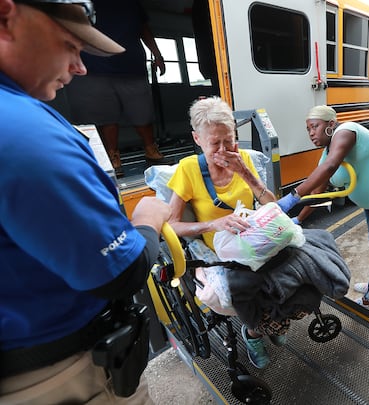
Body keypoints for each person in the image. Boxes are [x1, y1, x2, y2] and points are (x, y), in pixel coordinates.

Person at [0, 1, 171, 403]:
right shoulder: (25, 133)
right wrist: (147, 220)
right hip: (57, 374)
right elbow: (120, 273)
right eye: (69, 45)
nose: (80, 67)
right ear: (6, 16)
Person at [166, 97, 283, 370]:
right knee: (249, 286)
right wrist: (213, 224)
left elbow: (272, 205)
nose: (223, 150)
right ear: (197, 139)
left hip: (253, 239)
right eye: (214, 143)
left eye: (229, 141)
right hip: (220, 251)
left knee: (291, 269)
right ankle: (253, 333)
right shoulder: (188, 169)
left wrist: (245, 172)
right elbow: (171, 225)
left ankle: (275, 319)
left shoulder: (242, 160)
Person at [277, 105, 369, 312]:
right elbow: (317, 193)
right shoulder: (326, 153)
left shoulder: (347, 131)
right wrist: (299, 219)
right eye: (308, 129)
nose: (311, 133)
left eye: (314, 126)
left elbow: (332, 166)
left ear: (331, 124)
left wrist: (293, 196)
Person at [65, 0, 170, 177]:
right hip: (97, 68)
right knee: (107, 116)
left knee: (142, 112)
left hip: (132, 66)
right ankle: (114, 159)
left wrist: (158, 55)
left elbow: (144, 29)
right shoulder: (85, 4)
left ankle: (151, 151)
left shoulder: (133, 4)